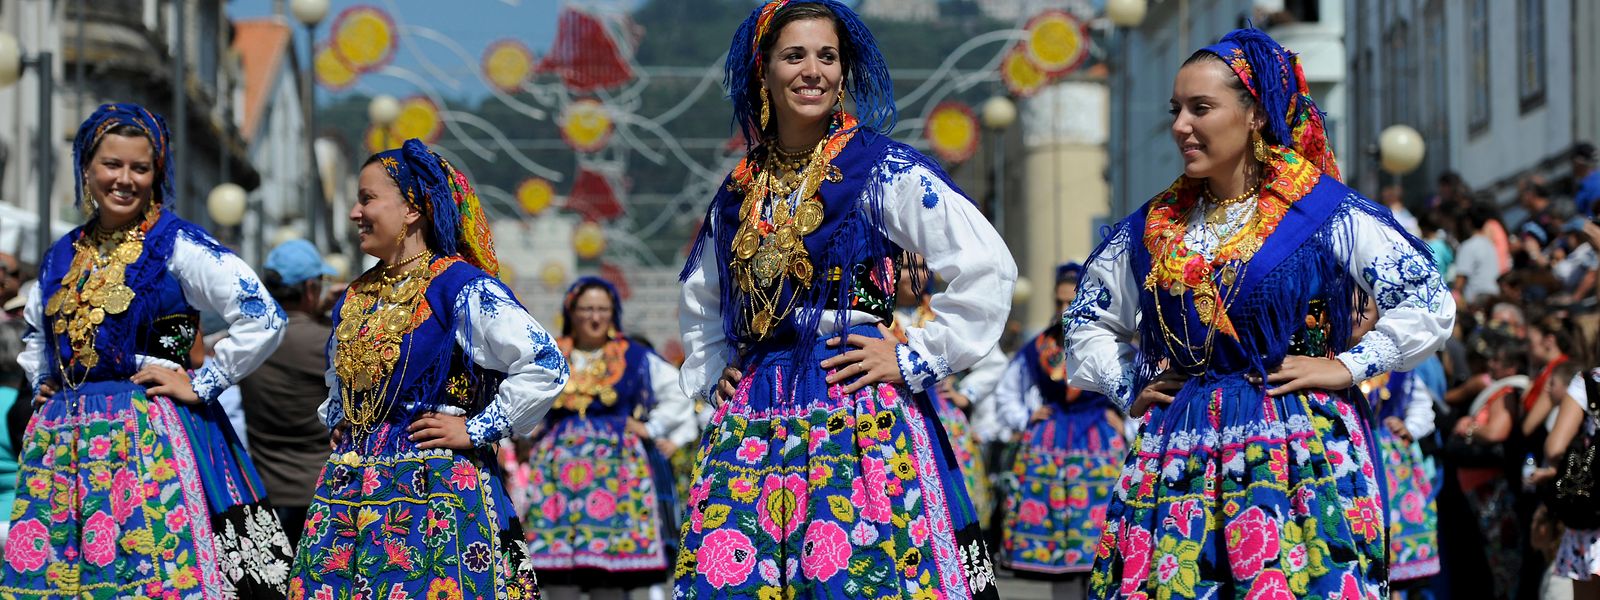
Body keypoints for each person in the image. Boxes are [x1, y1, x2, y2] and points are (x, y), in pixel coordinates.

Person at [1063, 29, 1453, 598]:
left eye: (1202, 108)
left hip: (1296, 449)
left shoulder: (1320, 211)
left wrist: (1348, 365)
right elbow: (1087, 321)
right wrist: (1130, 383)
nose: (1180, 126)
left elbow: (1427, 298)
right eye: (1176, 110)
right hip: (1181, 450)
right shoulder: (1155, 227)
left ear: (1255, 117)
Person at [675, 1, 1015, 597]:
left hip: (854, 405)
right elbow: (703, 295)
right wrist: (712, 373)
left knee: (864, 575)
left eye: (827, 56)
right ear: (764, 73)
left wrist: (912, 356)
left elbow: (986, 267)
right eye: (794, 56)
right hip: (755, 418)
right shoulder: (738, 191)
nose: (813, 71)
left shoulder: (880, 168)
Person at [4, 103, 294, 597]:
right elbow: (35, 330)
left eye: (140, 168)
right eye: (112, 165)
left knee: (153, 570)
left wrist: (201, 381)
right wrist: (44, 380)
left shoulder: (176, 245)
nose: (125, 179)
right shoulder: (62, 253)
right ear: (87, 169)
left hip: (146, 434)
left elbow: (263, 316)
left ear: (156, 174)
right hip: (66, 442)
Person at [287, 139, 568, 598]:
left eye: (367, 199)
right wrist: (342, 419)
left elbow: (544, 362)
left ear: (412, 209)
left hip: (433, 484)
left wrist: (477, 429)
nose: (356, 213)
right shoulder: (355, 296)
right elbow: (341, 383)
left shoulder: (458, 285)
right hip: (352, 483)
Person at [520, 277, 688, 600]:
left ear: (613, 313)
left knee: (608, 580)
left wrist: (651, 428)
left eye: (602, 309)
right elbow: (523, 396)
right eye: (586, 309)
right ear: (572, 312)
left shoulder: (634, 356)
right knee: (559, 577)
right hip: (557, 476)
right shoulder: (551, 354)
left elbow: (678, 391)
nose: (595, 317)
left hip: (616, 476)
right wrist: (527, 431)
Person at [994, 262, 1124, 599]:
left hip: (1098, 447)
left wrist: (1125, 421)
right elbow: (1008, 390)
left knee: (1099, 545)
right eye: (1058, 303)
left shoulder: (1106, 343)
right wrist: (1026, 417)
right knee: (1058, 550)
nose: (1065, 310)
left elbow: (1137, 385)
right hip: (1047, 451)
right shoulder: (1040, 347)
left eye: (1072, 301)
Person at [239, 240, 336, 547]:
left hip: (265, 492)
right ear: (310, 288)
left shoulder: (248, 339)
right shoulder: (324, 342)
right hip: (320, 492)